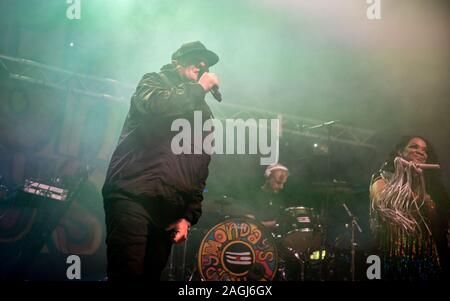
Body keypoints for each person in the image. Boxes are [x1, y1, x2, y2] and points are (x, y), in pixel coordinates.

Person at [102, 41, 220, 280]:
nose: (202, 63)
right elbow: (157, 107)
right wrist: (198, 89)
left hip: (169, 212)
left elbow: (200, 166)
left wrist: (188, 216)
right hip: (132, 195)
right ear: (176, 61)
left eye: (205, 61)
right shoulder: (153, 82)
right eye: (196, 57)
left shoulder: (204, 113)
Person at [370, 136, 449, 280]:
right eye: (414, 147)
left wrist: (430, 206)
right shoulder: (383, 177)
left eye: (424, 150)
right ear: (400, 152)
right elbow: (383, 200)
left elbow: (439, 225)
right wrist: (420, 200)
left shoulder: (431, 186)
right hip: (391, 257)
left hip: (425, 258)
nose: (421, 152)